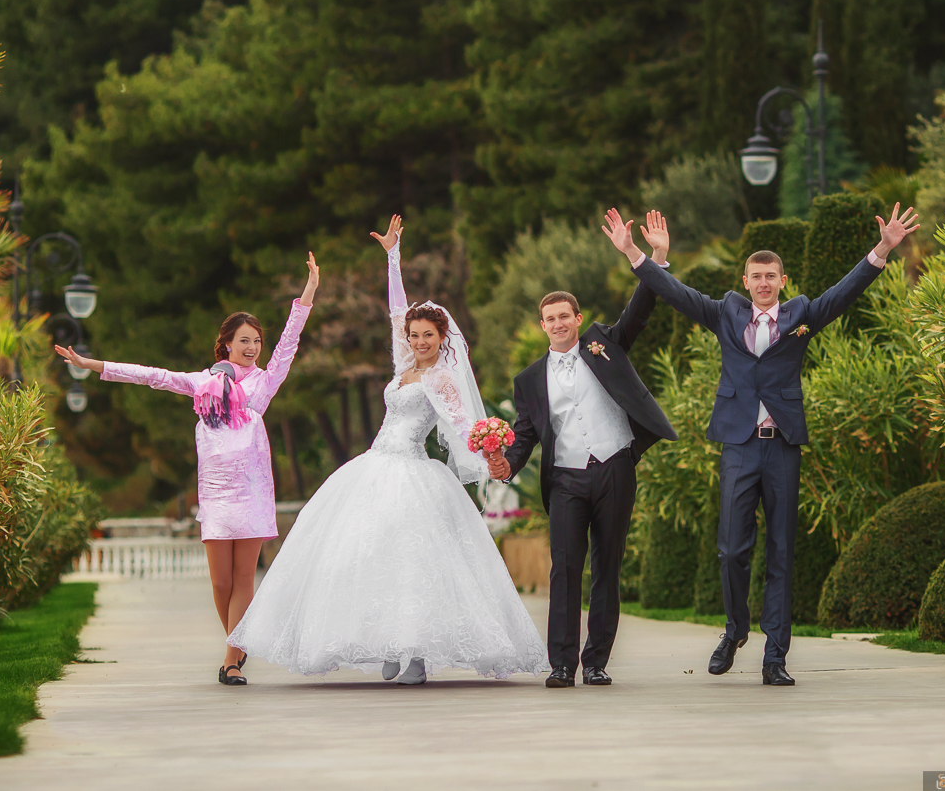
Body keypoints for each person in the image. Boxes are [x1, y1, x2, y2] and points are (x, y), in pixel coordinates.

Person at [605, 204, 919, 687]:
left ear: (782, 279)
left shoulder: (803, 315)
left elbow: (845, 292)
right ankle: (735, 630)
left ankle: (776, 655)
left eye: (772, 276)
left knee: (781, 552)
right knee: (732, 550)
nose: (764, 283)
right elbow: (675, 294)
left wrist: (882, 249)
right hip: (738, 443)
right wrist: (638, 255)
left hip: (782, 446)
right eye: (757, 276)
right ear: (746, 280)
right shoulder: (725, 312)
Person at [228, 216, 546, 685]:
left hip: (414, 472)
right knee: (368, 557)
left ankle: (416, 652)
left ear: (442, 340)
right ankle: (388, 646)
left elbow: (465, 426)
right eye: (414, 335)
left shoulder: (442, 379)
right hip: (373, 467)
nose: (417, 341)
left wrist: (492, 455)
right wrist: (392, 256)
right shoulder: (403, 367)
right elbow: (396, 310)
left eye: (426, 336)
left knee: (414, 562)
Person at [55, 255, 319, 687]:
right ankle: (239, 640)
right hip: (216, 495)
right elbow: (152, 376)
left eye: (256, 340)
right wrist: (94, 366)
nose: (253, 347)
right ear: (227, 344)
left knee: (243, 578)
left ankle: (231, 659)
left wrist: (308, 292)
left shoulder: (265, 381)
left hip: (251, 490)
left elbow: (291, 340)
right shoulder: (201, 383)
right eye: (244, 340)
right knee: (220, 583)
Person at [487, 210, 677, 689]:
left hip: (615, 466)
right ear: (542, 324)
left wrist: (653, 257)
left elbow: (639, 310)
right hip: (567, 477)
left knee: (606, 568)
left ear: (576, 317)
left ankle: (596, 662)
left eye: (564, 316)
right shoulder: (529, 379)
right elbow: (527, 432)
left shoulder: (604, 344)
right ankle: (561, 664)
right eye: (549, 319)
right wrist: (505, 464)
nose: (558, 324)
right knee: (565, 571)